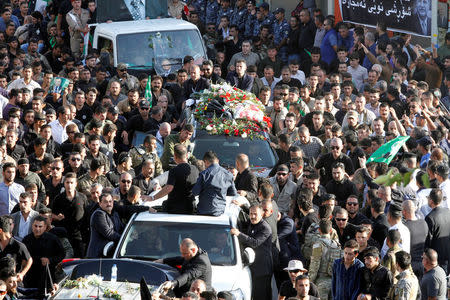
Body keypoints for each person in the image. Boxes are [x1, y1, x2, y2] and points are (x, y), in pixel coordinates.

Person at [86, 192, 149, 258]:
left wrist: (131, 233)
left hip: (110, 254)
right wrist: (125, 239)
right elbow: (109, 233)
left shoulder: (115, 214)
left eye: (110, 201)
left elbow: (122, 228)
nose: (109, 204)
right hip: (98, 256)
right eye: (105, 202)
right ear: (100, 203)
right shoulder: (98, 215)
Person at [231, 204, 273, 300]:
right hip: (253, 266)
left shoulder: (265, 228)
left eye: (255, 214)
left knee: (261, 295)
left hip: (262, 270)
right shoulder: (252, 223)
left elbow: (255, 242)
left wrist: (239, 234)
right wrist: (243, 205)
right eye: (251, 214)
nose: (253, 216)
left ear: (262, 214)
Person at [151, 144, 199, 214]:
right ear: (186, 156)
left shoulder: (173, 171)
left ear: (175, 157)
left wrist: (153, 198)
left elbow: (169, 188)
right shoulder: (195, 169)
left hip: (174, 208)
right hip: (190, 208)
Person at [22, 216, 65, 291]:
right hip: (30, 276)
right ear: (32, 226)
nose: (37, 229)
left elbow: (62, 254)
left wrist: (50, 260)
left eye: (40, 226)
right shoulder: (26, 239)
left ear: (45, 227)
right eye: (35, 226)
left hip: (47, 275)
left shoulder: (53, 239)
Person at [192, 151, 237, 216]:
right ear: (217, 161)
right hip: (220, 212)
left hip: (203, 211)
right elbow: (233, 193)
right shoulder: (228, 174)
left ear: (206, 162)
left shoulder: (204, 174)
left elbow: (195, 192)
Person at [309, 219, 342, 300]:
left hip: (321, 282)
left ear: (319, 230)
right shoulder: (337, 245)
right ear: (331, 230)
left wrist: (309, 281)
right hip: (334, 282)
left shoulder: (318, 244)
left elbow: (315, 264)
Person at [424, 188, 450, 273]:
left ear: (431, 200)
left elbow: (428, 240)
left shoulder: (430, 218)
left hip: (436, 259)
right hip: (447, 255)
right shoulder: (448, 212)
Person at [0, 216, 32, 283]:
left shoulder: (18, 246)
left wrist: (22, 274)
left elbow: (29, 260)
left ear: (0, 231)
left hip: (12, 284)